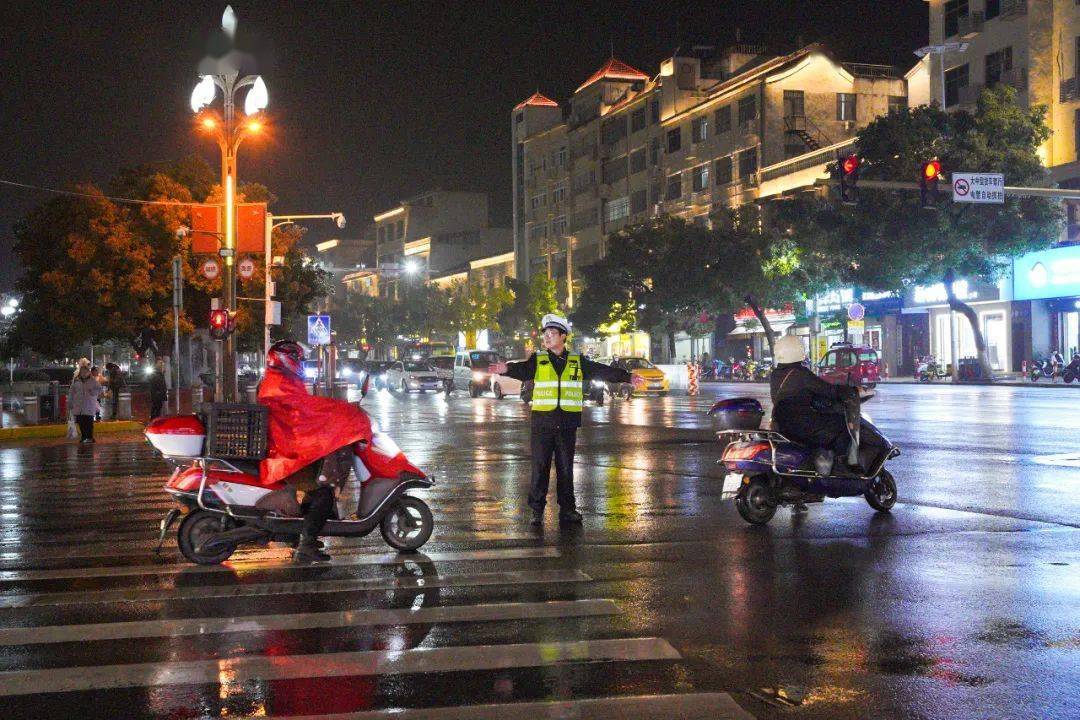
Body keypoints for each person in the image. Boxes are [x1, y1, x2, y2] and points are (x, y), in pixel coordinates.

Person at [489, 314, 644, 526]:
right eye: (546, 334)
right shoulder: (539, 359)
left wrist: (627, 376)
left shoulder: (576, 361)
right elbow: (523, 369)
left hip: (567, 425)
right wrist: (506, 369)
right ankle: (536, 510)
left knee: (565, 468)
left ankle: (568, 510)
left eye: (552, 333)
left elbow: (601, 370)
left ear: (563, 336)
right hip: (542, 424)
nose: (548, 337)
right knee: (540, 468)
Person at [260, 340, 374, 562]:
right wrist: (345, 411)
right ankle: (306, 544)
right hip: (287, 454)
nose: (300, 363)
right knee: (324, 490)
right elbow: (308, 411)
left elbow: (308, 409)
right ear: (285, 359)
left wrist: (337, 411)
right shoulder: (280, 385)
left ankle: (302, 532)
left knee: (320, 483)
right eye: (298, 358)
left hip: (289, 447)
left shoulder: (281, 381)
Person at [770, 335, 886, 473]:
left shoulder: (776, 374)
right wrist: (852, 390)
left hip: (782, 424)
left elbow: (802, 395)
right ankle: (841, 468)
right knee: (841, 427)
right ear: (796, 351)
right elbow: (828, 390)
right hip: (803, 425)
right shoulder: (801, 374)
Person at [68, 358, 102, 444]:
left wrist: (93, 392)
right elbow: (71, 392)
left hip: (89, 404)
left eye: (85, 371)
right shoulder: (76, 381)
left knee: (89, 421)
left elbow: (99, 389)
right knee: (81, 422)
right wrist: (70, 402)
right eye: (82, 371)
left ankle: (90, 437)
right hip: (78, 405)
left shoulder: (92, 380)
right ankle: (83, 437)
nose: (84, 373)